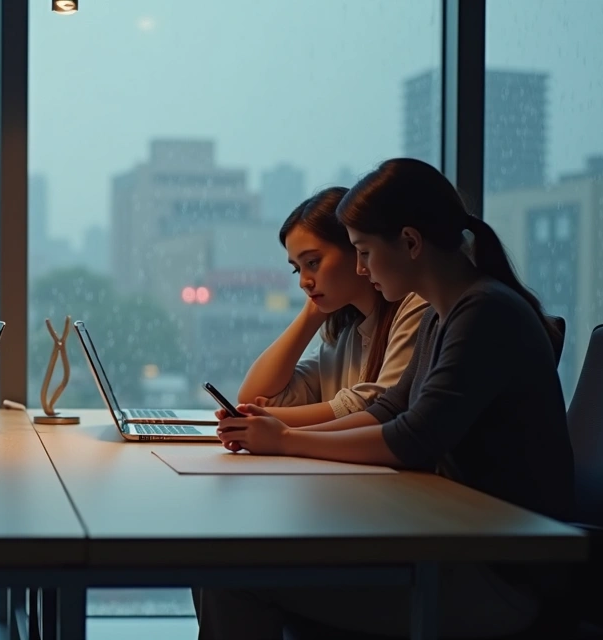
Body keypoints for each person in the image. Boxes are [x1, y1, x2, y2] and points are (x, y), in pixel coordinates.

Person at [198, 158, 574, 639]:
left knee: (229, 574)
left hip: (498, 579)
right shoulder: (444, 314)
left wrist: (287, 440)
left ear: (411, 243)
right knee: (225, 564)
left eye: (364, 252)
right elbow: (389, 409)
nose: (360, 268)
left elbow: (413, 438)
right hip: (457, 545)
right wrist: (281, 434)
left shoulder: (484, 313)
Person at [236, 187, 427, 427]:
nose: (303, 282)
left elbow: (377, 407)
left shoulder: (415, 306)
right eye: (297, 269)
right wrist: (310, 315)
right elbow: (254, 396)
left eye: (313, 262)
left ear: (357, 248)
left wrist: (264, 420)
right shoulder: (346, 335)